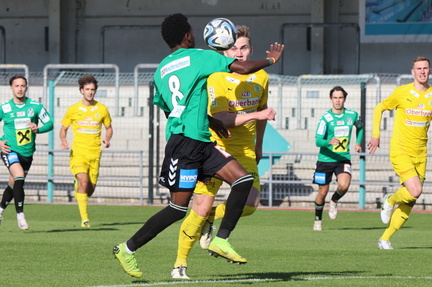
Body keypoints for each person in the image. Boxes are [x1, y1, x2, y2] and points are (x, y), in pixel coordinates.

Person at [112, 13, 284, 279]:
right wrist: (271, 59)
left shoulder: (161, 70)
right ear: (187, 36)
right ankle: (127, 248)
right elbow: (244, 68)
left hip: (198, 140)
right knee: (177, 209)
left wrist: (210, 121)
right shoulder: (200, 56)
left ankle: (220, 239)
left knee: (243, 180)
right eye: (192, 31)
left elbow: (170, 108)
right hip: (186, 145)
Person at [171, 25, 276, 279]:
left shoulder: (261, 76)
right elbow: (224, 119)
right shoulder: (217, 74)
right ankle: (180, 263)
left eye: (243, 48)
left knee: (250, 204)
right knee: (199, 206)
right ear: (225, 50)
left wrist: (259, 144)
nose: (238, 53)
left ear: (251, 49)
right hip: (214, 149)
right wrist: (258, 114)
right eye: (233, 48)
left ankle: (211, 218)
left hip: (245, 150)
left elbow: (262, 114)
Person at [368, 56, 432, 250]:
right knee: (415, 191)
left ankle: (385, 239)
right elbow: (379, 108)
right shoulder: (401, 92)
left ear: (429, 71)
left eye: (426, 68)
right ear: (412, 72)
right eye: (419, 68)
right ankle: (390, 199)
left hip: (421, 153)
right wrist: (376, 135)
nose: (422, 71)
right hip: (401, 150)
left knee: (411, 200)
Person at [0, 75, 54, 230]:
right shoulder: (4, 108)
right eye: (16, 86)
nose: (20, 89)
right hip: (9, 149)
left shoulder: (35, 106)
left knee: (13, 184)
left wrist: (38, 128)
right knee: (19, 176)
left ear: (26, 87)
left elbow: (49, 122)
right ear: (11, 88)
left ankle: (0, 209)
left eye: (22, 85)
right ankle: (20, 216)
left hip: (27, 153)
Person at [59, 74, 113, 228]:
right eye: (87, 89)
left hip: (95, 154)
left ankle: (79, 186)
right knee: (83, 181)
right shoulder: (73, 109)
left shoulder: (102, 109)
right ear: (81, 90)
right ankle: (85, 220)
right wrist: (63, 140)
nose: (90, 92)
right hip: (78, 153)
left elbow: (109, 128)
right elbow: (63, 129)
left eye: (92, 89)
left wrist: (107, 139)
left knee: (89, 191)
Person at [312, 86, 363, 231]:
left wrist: (358, 142)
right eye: (335, 98)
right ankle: (318, 220)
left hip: (342, 158)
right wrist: (328, 141)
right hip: (325, 160)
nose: (338, 101)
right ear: (331, 99)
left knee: (344, 185)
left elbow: (360, 127)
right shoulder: (325, 119)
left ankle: (334, 200)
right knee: (322, 192)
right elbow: (318, 141)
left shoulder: (352, 115)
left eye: (340, 97)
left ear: (344, 99)